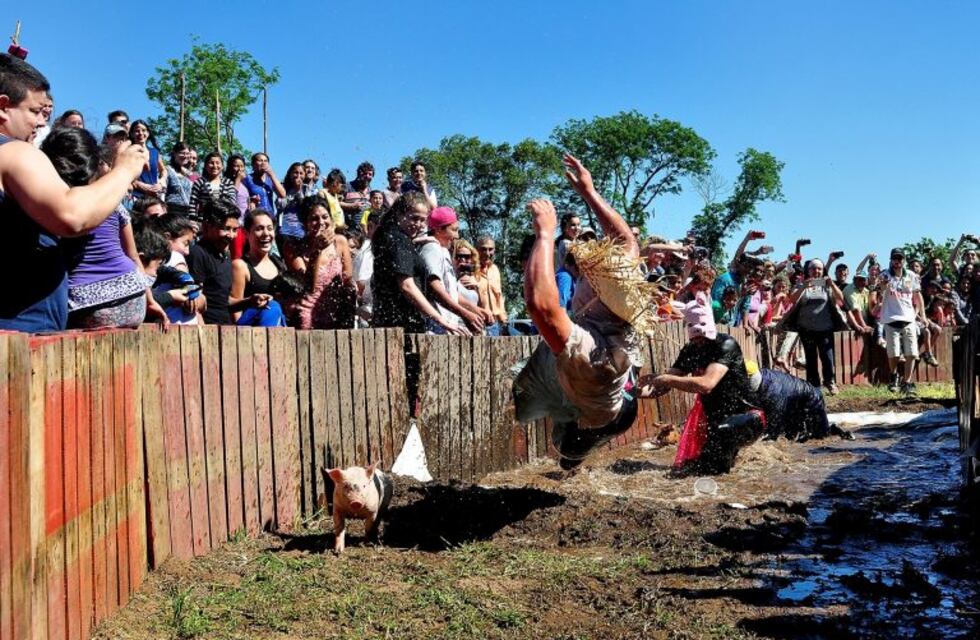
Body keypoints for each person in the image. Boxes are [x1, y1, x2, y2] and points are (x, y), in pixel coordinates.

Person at [513, 155, 660, 470]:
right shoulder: (618, 303)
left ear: (596, 297)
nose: (579, 277)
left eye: (585, 279)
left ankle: (573, 462)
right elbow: (626, 241)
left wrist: (544, 236)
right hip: (617, 399)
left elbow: (541, 306)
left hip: (601, 418)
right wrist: (589, 192)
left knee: (565, 455)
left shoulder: (594, 350)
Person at [0, 53, 149, 331]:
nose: (41, 123)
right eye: (34, 111)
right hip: (18, 337)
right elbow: (71, 215)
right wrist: (124, 170)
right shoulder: (12, 152)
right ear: (3, 107)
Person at [40, 127, 166, 330]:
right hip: (133, 297)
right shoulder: (112, 203)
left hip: (86, 304)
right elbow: (133, 256)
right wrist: (150, 301)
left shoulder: (53, 207)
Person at [641, 294, 764, 474]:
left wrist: (665, 378)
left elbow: (706, 384)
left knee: (715, 466)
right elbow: (663, 384)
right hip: (715, 420)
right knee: (696, 466)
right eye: (695, 336)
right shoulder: (690, 350)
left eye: (703, 335)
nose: (699, 340)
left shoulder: (726, 344)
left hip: (747, 417)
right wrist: (632, 393)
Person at [371, 191, 465, 335]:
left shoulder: (392, 236)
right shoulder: (399, 241)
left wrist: (418, 240)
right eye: (414, 218)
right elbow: (407, 286)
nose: (419, 225)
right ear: (399, 214)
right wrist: (441, 320)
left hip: (390, 323)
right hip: (399, 326)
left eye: (423, 220)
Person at [780, 259, 846, 395]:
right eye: (813, 268)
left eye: (819, 269)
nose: (816, 271)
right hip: (806, 329)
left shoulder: (827, 285)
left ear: (822, 271)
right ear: (808, 270)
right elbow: (791, 299)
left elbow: (841, 299)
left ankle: (830, 382)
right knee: (810, 358)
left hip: (825, 328)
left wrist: (832, 284)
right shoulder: (801, 284)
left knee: (827, 357)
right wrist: (804, 287)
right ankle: (813, 386)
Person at [289, 196, 356, 329]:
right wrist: (317, 251)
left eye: (325, 217)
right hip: (307, 311)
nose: (321, 222)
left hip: (335, 311)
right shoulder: (294, 247)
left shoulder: (340, 241)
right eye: (314, 219)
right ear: (305, 223)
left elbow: (347, 278)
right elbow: (307, 286)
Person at [418, 207, 487, 334]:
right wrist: (464, 313)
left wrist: (474, 309)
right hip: (436, 327)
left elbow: (451, 292)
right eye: (454, 230)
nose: (457, 236)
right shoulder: (431, 249)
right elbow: (435, 288)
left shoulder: (443, 250)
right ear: (438, 229)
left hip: (447, 325)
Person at [878, 247, 928, 394]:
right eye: (895, 258)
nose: (897, 261)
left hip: (909, 318)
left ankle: (907, 382)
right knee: (893, 353)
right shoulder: (885, 274)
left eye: (900, 258)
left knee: (911, 353)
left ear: (904, 260)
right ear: (891, 260)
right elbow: (881, 291)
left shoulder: (911, 275)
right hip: (891, 318)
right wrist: (884, 285)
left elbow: (918, 296)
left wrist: (923, 316)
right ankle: (894, 376)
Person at [230, 210, 289, 326]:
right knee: (272, 306)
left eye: (270, 228)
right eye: (259, 229)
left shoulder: (279, 264)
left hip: (278, 325)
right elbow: (236, 313)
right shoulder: (240, 266)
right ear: (246, 233)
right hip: (249, 329)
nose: (266, 233)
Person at [187, 199, 241, 324]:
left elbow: (221, 301)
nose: (231, 235)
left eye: (235, 230)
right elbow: (195, 300)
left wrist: (250, 302)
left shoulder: (225, 257)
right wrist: (203, 332)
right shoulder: (197, 254)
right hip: (207, 328)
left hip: (224, 328)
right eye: (226, 229)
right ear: (207, 226)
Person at [475, 236, 508, 335]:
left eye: (490, 249)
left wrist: (504, 321)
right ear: (476, 250)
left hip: (495, 324)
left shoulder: (495, 270)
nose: (487, 253)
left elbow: (499, 296)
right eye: (483, 249)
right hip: (478, 323)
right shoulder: (471, 270)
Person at [353, 210, 381, 327]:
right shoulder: (367, 251)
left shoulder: (375, 248)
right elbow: (360, 284)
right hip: (367, 312)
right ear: (370, 226)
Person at [129, 120, 167, 199]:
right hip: (135, 197)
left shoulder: (155, 152)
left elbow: (163, 170)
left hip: (153, 198)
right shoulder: (128, 152)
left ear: (148, 133)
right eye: (137, 131)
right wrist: (139, 185)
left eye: (143, 130)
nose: (140, 133)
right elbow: (124, 174)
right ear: (132, 134)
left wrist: (161, 182)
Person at [342, 161, 374, 229]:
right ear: (358, 174)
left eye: (370, 174)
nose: (367, 176)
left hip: (365, 230)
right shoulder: (347, 186)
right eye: (365, 173)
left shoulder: (370, 190)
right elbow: (336, 202)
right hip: (348, 228)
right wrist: (351, 206)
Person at [164, 142, 194, 209]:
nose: (185, 156)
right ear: (174, 154)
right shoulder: (167, 170)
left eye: (187, 153)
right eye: (182, 153)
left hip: (187, 211)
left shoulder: (189, 173)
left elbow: (200, 182)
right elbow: (161, 192)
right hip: (171, 209)